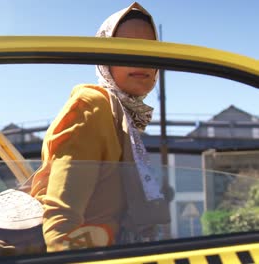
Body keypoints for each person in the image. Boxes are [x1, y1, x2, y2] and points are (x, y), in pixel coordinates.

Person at [30, 2, 169, 252]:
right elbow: (60, 231)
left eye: (149, 48)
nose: (141, 58)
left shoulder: (122, 115)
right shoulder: (92, 107)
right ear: (105, 58)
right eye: (126, 48)